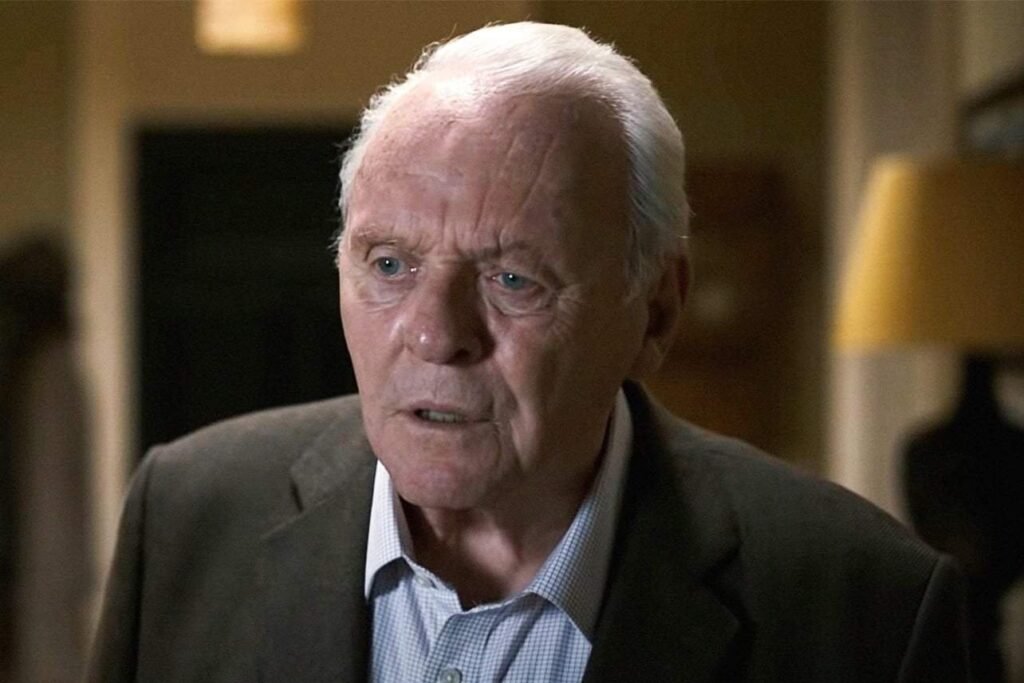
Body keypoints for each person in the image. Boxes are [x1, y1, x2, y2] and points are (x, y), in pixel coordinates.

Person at [88, 22, 969, 682]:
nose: (435, 333)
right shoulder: (186, 518)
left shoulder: (864, 611)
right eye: (389, 264)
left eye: (513, 279)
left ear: (656, 311)